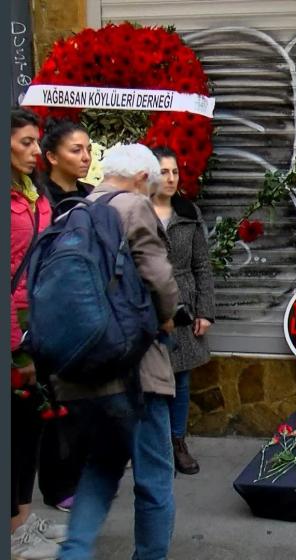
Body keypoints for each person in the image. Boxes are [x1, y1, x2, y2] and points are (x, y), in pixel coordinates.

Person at [54, 144, 179, 560]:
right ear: (143, 178)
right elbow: (159, 279)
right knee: (154, 476)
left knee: (101, 466)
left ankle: (73, 552)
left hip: (81, 367)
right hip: (134, 370)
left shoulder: (74, 209)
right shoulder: (133, 207)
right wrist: (166, 319)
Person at [10, 108, 67, 559]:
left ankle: (22, 517)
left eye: (36, 142)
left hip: (37, 325)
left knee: (29, 428)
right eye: (26, 142)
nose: (35, 151)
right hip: (13, 334)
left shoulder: (35, 192)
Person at [37, 119, 94, 514]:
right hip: (52, 311)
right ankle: (58, 487)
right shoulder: (41, 199)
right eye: (76, 150)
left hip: (88, 310)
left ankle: (83, 475)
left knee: (86, 401)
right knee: (56, 404)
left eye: (88, 149)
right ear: (52, 156)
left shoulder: (92, 196)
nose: (86, 157)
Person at [151, 147, 215, 475]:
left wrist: (204, 311)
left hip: (184, 305)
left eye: (175, 172)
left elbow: (202, 265)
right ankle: (154, 444)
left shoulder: (188, 213)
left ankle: (177, 442)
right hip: (147, 306)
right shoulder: (136, 211)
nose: (171, 178)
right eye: (164, 171)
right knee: (149, 378)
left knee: (181, 378)